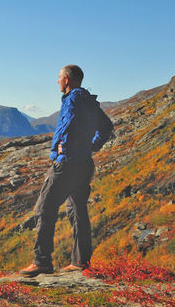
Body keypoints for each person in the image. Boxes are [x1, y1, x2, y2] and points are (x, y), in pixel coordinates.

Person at [20, 65, 114, 277]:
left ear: (67, 80)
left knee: (44, 209)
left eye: (59, 78)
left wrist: (63, 144)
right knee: (78, 210)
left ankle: (42, 261)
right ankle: (81, 262)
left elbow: (67, 123)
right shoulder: (89, 100)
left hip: (68, 163)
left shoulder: (72, 99)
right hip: (84, 162)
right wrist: (90, 146)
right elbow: (107, 126)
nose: (57, 81)